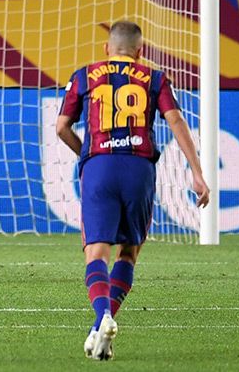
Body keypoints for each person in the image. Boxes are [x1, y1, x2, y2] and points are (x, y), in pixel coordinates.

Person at [56, 21, 210, 361]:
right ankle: (102, 325)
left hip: (100, 165)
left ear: (107, 49)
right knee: (128, 253)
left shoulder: (85, 75)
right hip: (139, 168)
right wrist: (197, 173)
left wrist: (88, 153)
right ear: (140, 52)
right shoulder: (155, 78)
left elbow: (61, 127)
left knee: (96, 252)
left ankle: (102, 319)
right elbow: (176, 122)